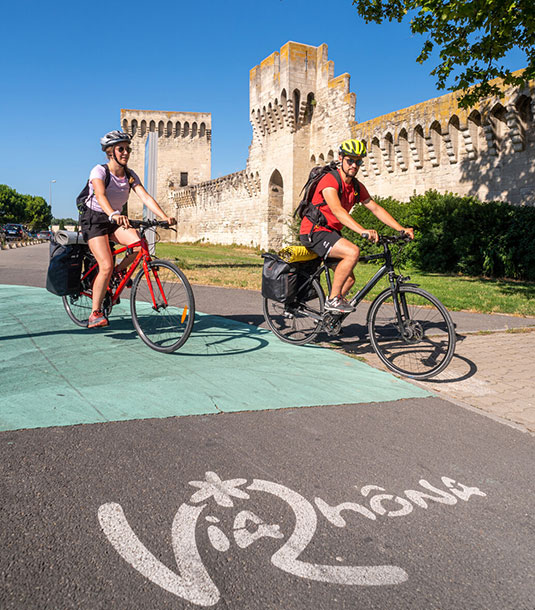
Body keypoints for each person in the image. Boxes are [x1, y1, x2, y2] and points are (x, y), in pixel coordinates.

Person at [299, 138, 414, 314]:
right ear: (341, 158)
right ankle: (333, 301)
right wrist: (362, 230)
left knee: (349, 280)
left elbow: (375, 208)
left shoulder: (356, 187)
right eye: (350, 160)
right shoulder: (330, 180)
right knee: (352, 251)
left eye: (358, 161)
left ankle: (327, 318)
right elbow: (337, 210)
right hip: (314, 232)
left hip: (331, 233)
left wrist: (400, 229)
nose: (354, 165)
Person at [80, 130, 176, 328]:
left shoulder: (130, 175)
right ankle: (95, 312)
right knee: (105, 264)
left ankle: (117, 273)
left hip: (114, 218)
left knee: (139, 245)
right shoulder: (99, 171)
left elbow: (145, 197)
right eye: (120, 149)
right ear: (110, 152)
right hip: (94, 219)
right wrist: (113, 214)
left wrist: (164, 217)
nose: (125, 152)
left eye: (127, 149)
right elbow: (100, 195)